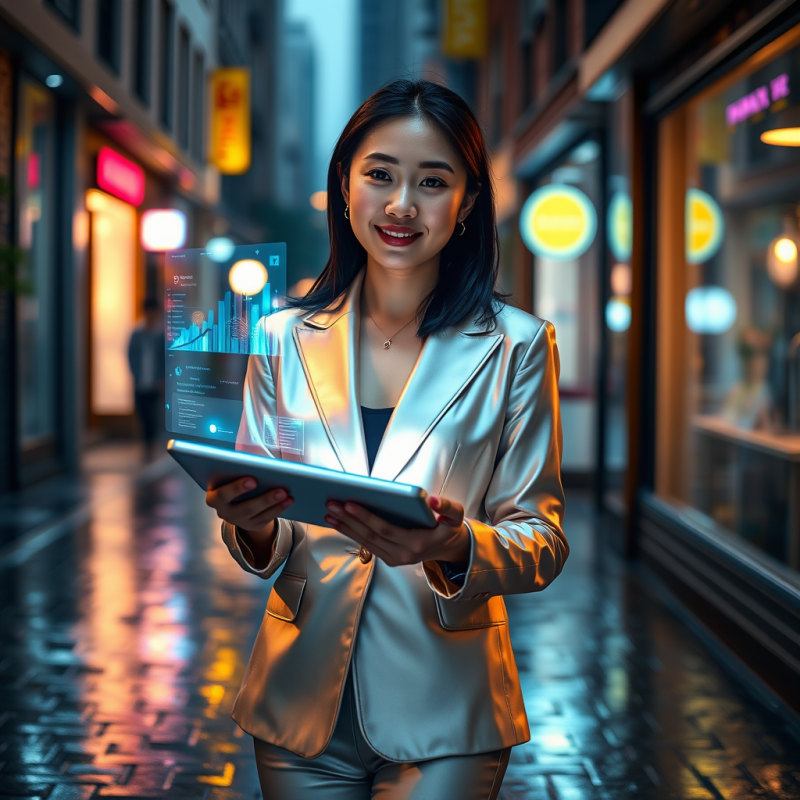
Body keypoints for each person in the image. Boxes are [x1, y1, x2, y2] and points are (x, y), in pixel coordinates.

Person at [206, 80, 568, 800]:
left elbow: (543, 539)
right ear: (345, 186)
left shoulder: (518, 345)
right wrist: (249, 529)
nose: (402, 204)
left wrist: (455, 547)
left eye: (432, 182)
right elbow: (271, 539)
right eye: (380, 174)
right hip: (299, 705)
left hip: (447, 711)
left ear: (466, 203)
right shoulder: (281, 339)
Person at [128, 297, 165, 460]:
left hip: (155, 383)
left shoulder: (160, 334)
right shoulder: (137, 333)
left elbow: (165, 359)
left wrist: (162, 378)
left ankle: (151, 444)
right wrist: (135, 373)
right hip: (140, 381)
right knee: (143, 413)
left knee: (153, 414)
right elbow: (130, 355)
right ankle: (146, 444)